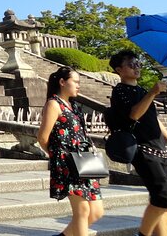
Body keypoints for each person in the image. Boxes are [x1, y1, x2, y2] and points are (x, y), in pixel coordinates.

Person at [109, 50, 167, 236]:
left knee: (164, 202)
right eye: (131, 64)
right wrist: (153, 92)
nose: (137, 67)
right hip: (143, 150)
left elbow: (155, 119)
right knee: (163, 197)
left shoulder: (142, 91)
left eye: (138, 63)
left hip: (160, 149)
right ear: (119, 69)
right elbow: (134, 115)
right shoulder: (119, 91)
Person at [37, 66, 104, 236]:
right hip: (67, 163)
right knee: (82, 211)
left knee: (96, 211)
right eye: (75, 82)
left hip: (84, 161)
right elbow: (42, 137)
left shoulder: (73, 105)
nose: (78, 85)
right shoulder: (54, 104)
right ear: (62, 82)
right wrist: (57, 156)